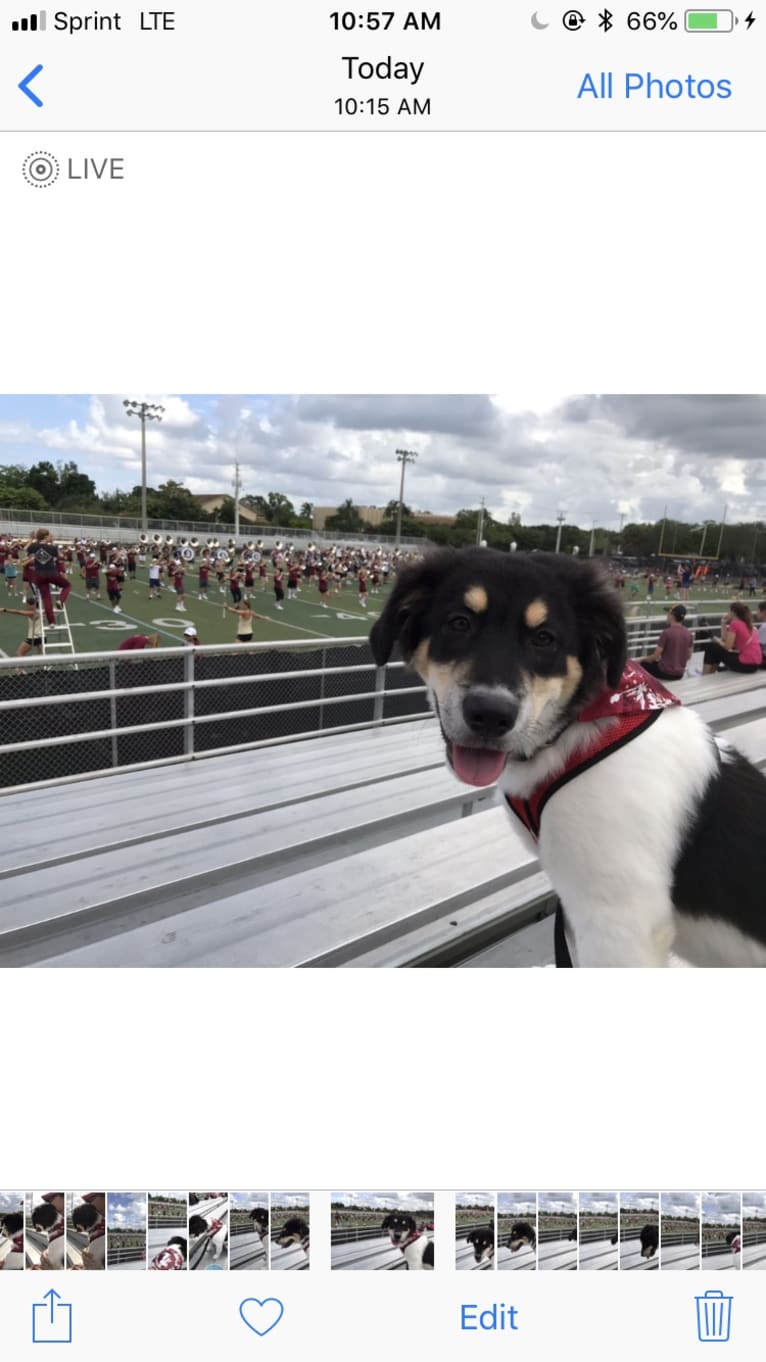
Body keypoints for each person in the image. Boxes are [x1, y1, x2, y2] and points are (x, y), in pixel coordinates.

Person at [25, 528, 72, 626]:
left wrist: (32, 539)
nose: (51, 536)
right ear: (46, 536)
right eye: (49, 535)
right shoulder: (52, 548)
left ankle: (51, 622)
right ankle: (60, 601)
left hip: (39, 576)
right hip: (52, 574)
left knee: (46, 597)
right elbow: (61, 557)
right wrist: (52, 543)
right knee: (67, 586)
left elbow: (26, 548)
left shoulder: (34, 546)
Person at [702, 601, 762, 674]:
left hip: (746, 665)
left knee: (711, 647)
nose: (727, 613)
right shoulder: (746, 623)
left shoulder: (735, 623)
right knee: (715, 649)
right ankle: (710, 673)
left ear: (733, 612)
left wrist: (718, 641)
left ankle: (705, 674)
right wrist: (723, 623)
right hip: (754, 665)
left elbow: (727, 646)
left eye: (729, 611)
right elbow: (725, 639)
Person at [638, 604, 694, 681]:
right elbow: (689, 656)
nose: (667, 615)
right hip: (680, 674)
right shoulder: (689, 633)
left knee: (642, 664)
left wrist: (641, 660)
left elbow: (655, 657)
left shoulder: (666, 633)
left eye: (668, 613)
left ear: (672, 616)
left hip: (665, 672)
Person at [756, 600, 766, 669]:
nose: (757, 613)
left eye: (758, 610)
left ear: (764, 612)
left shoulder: (764, 627)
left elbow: (756, 645)